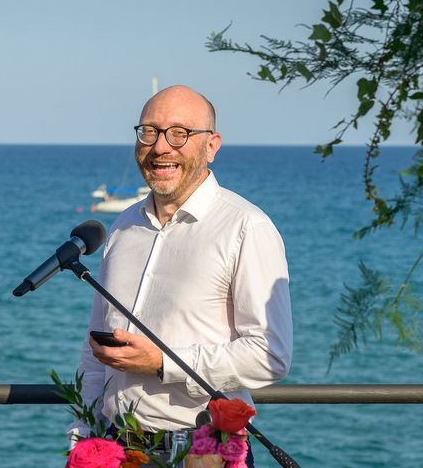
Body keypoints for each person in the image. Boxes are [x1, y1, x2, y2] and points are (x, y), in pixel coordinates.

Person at [71, 85, 293, 465]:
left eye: (180, 133)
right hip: (114, 448)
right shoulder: (125, 227)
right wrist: (82, 438)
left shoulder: (246, 227)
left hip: (202, 451)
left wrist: (162, 362)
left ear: (212, 145)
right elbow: (95, 352)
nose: (160, 147)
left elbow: (271, 355)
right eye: (149, 132)